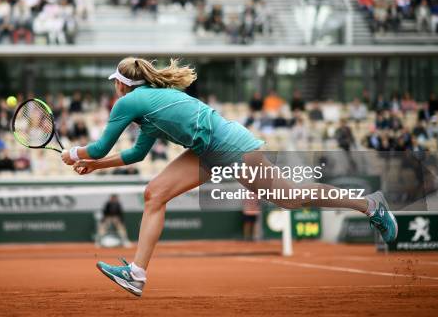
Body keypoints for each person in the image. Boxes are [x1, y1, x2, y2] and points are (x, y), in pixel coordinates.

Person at [61, 57, 398, 297]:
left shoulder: (130, 101)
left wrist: (76, 154)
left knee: (291, 198)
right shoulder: (147, 104)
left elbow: (101, 145)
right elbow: (135, 154)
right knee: (155, 193)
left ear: (122, 83)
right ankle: (136, 274)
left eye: (115, 82)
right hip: (208, 149)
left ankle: (370, 205)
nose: (114, 87)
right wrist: (96, 166)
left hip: (229, 146)